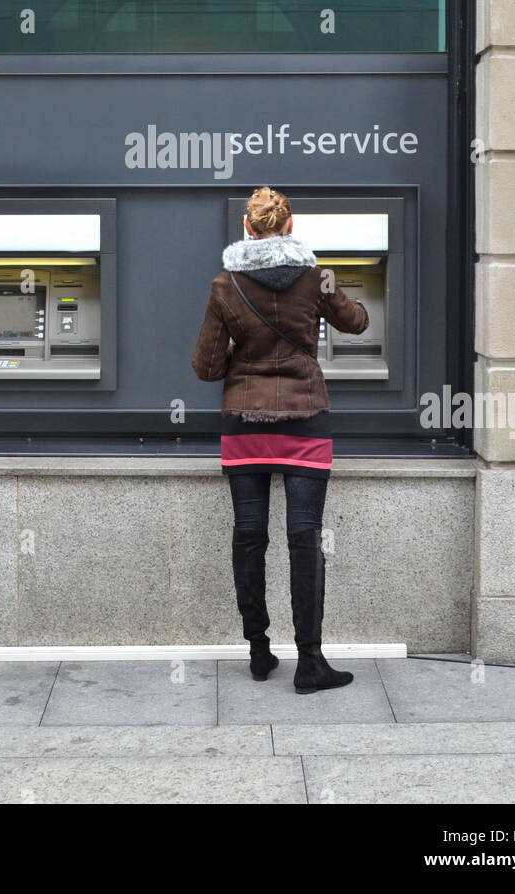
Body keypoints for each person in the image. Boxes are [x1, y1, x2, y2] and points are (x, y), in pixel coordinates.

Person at [191, 186, 370, 694]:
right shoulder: (316, 277)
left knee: (250, 535)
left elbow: (204, 367)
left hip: (244, 423)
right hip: (304, 417)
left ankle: (259, 652)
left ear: (248, 228)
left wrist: (241, 365)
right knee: (304, 537)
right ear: (291, 227)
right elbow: (356, 323)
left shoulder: (225, 284)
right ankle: (310, 663)